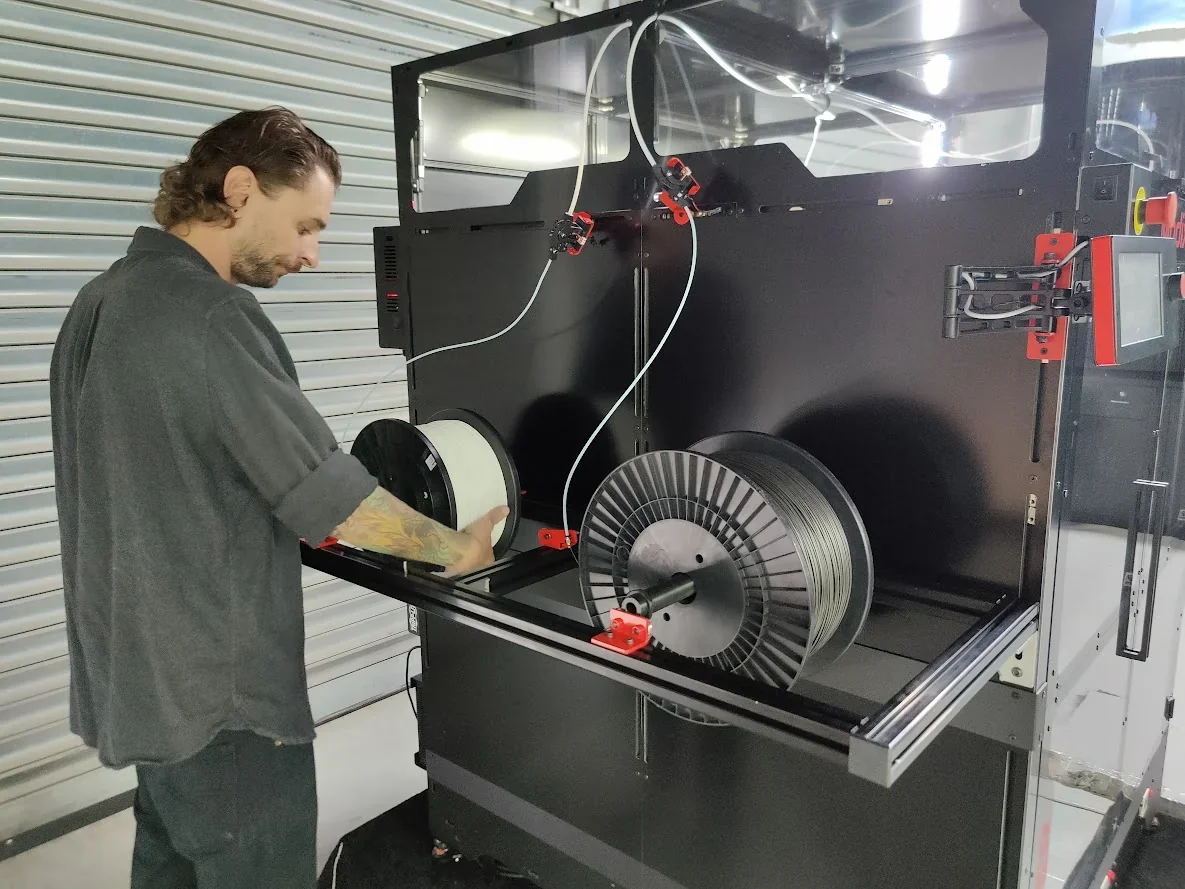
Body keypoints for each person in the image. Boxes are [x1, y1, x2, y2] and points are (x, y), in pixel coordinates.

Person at [48, 106, 507, 889]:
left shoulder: (102, 300)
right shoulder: (212, 316)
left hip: (139, 681)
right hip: (224, 706)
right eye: (305, 226)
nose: (311, 254)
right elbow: (334, 501)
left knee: (170, 858)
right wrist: (459, 548)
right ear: (237, 190)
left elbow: (169, 472)